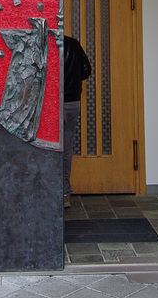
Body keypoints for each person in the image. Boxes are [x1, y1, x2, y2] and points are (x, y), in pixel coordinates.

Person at [63, 35, 91, 209]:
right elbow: (86, 71)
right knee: (66, 147)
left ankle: (45, 189)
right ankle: (65, 193)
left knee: (45, 145)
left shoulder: (47, 42)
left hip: (50, 102)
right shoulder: (73, 44)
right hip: (72, 101)